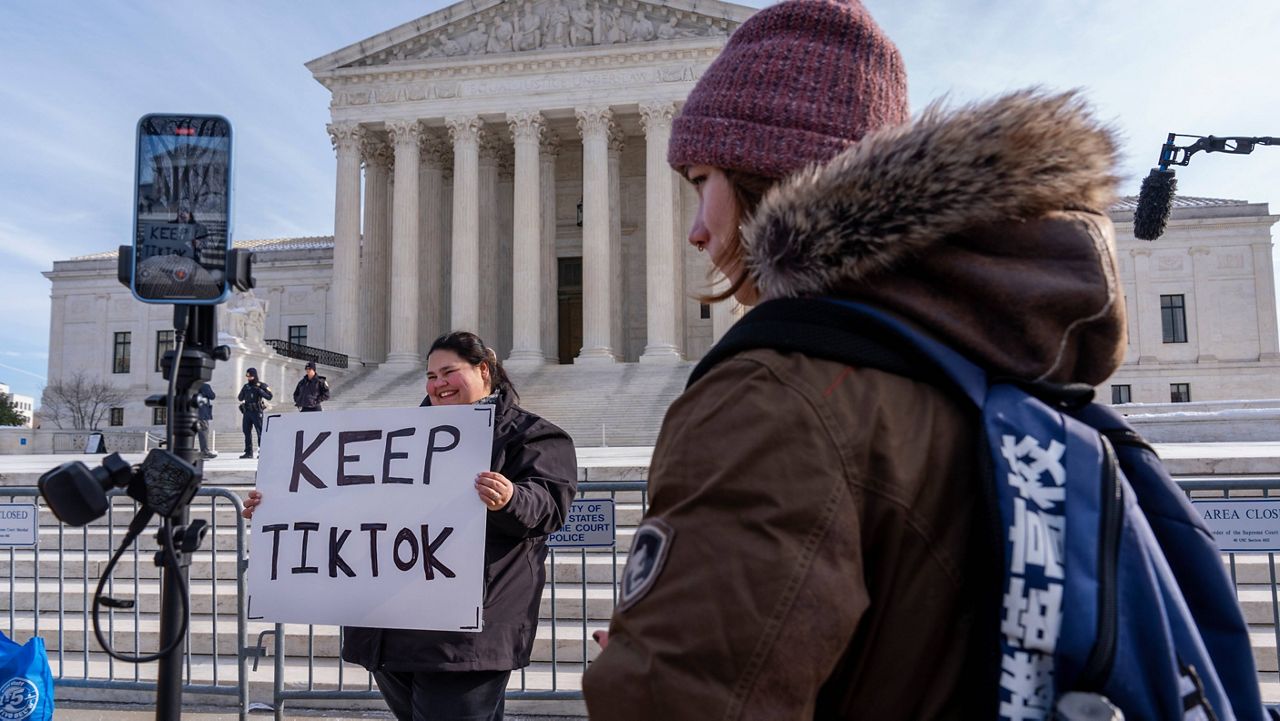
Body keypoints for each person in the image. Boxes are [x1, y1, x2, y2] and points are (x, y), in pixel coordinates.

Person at [581, 0, 1126, 718]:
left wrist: (653, 654)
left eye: (700, 181)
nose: (693, 229)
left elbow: (686, 698)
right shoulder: (980, 359)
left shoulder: (779, 396)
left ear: (763, 174)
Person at [242, 331, 577, 721]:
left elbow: (549, 505)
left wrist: (510, 499)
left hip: (466, 634)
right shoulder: (395, 437)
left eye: (449, 372)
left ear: (485, 370)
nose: (438, 384)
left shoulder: (532, 436)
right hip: (392, 630)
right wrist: (279, 506)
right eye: (431, 376)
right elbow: (347, 503)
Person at [236, 368, 272, 459]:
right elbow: (240, 398)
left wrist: (260, 391)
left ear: (255, 376)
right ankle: (248, 452)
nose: (249, 378)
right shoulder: (246, 386)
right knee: (246, 432)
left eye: (251, 376)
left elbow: (269, 396)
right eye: (248, 377)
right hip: (247, 412)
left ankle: (263, 451)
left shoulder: (261, 385)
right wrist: (243, 392)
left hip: (257, 412)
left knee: (260, 432)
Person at [195, 382, 217, 459]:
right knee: (203, 432)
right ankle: (205, 452)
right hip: (201, 414)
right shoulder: (204, 386)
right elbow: (212, 396)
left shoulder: (189, 385)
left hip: (190, 413)